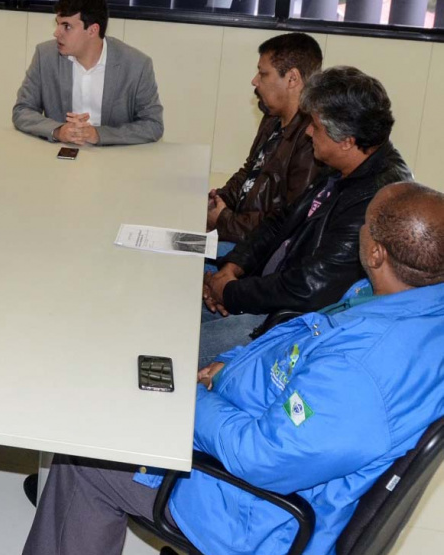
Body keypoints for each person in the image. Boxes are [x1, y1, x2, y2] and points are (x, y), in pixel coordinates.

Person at [24, 181, 444, 555]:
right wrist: (224, 368)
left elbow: (263, 458)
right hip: (259, 434)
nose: (360, 232)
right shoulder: (401, 303)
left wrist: (190, 400)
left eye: (365, 226)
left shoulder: (363, 372)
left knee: (88, 454)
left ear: (375, 252)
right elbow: (296, 350)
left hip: (257, 516)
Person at [199, 66, 412, 367]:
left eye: (315, 125)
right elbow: (279, 221)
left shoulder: (376, 200)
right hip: (269, 283)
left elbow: (309, 287)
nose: (308, 132)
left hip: (290, 321)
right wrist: (232, 268)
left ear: (347, 140)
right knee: (178, 290)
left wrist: (231, 291)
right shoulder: (343, 162)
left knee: (184, 346)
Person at [207, 33, 323, 249]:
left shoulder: (311, 138)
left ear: (292, 78)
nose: (254, 80)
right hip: (234, 228)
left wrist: (223, 220)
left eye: (263, 74)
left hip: (254, 248)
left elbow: (288, 221)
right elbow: (249, 171)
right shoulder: (272, 118)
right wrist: (215, 202)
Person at [12, 0, 163, 146]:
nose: (56, 33)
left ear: (92, 30)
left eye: (67, 26)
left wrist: (98, 135)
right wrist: (58, 130)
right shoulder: (45, 56)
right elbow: (22, 110)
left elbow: (153, 125)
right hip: (59, 157)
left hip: (115, 159)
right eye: (58, 24)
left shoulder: (137, 65)